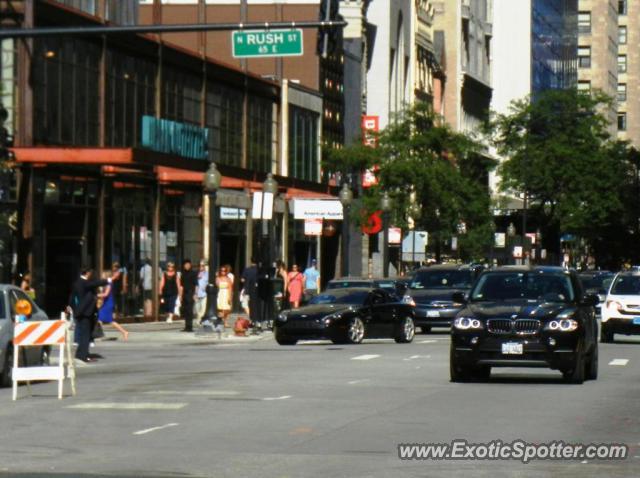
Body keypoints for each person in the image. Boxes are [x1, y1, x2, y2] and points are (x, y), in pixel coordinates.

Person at [69, 267, 108, 362]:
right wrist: (108, 280)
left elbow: (71, 299)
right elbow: (95, 283)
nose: (91, 275)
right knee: (85, 335)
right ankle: (83, 355)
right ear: (87, 273)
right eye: (90, 273)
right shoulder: (84, 283)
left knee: (83, 334)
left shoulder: (77, 283)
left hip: (80, 312)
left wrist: (74, 309)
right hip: (86, 312)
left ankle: (80, 353)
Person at [97, 271, 129, 341]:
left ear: (106, 276)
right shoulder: (107, 283)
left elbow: (106, 294)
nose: (101, 277)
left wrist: (96, 295)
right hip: (106, 303)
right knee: (101, 319)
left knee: (107, 320)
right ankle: (98, 334)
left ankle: (124, 332)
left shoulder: (108, 284)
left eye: (103, 275)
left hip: (108, 303)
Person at [241, 257, 260, 329]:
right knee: (257, 306)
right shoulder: (259, 270)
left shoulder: (247, 270)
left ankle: (252, 320)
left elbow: (242, 279)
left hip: (248, 290)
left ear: (250, 261)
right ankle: (257, 321)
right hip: (257, 290)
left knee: (249, 306)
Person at [180, 259, 198, 332]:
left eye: (188, 264)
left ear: (190, 265)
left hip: (191, 293)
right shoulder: (183, 274)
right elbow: (181, 286)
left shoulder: (193, 273)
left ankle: (190, 327)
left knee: (190, 310)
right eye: (185, 264)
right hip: (184, 293)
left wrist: (195, 294)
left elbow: (196, 284)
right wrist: (180, 295)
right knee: (185, 310)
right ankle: (186, 326)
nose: (187, 266)